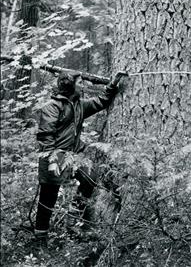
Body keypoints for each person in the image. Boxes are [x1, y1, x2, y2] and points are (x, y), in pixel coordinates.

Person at [33, 70, 127, 246]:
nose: (81, 85)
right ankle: (40, 238)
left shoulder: (79, 106)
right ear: (69, 85)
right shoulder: (51, 107)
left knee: (90, 179)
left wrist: (112, 84)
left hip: (73, 156)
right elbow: (46, 136)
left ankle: (75, 219)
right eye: (78, 82)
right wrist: (53, 160)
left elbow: (101, 102)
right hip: (55, 156)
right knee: (48, 199)